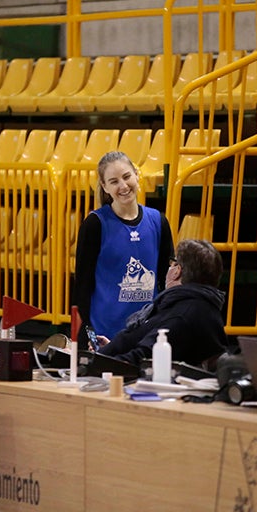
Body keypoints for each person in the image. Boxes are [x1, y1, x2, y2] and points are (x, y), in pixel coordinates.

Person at [73, 150, 173, 344]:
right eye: (114, 181)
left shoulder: (158, 221)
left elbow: (167, 281)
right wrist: (88, 336)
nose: (123, 186)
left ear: (136, 175)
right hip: (104, 337)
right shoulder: (95, 224)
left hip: (145, 337)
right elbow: (82, 287)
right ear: (105, 186)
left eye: (127, 177)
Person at [96, 238, 228, 368]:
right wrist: (112, 349)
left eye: (173, 263)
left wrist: (98, 364)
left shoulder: (184, 314)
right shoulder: (187, 304)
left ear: (177, 271)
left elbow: (143, 359)